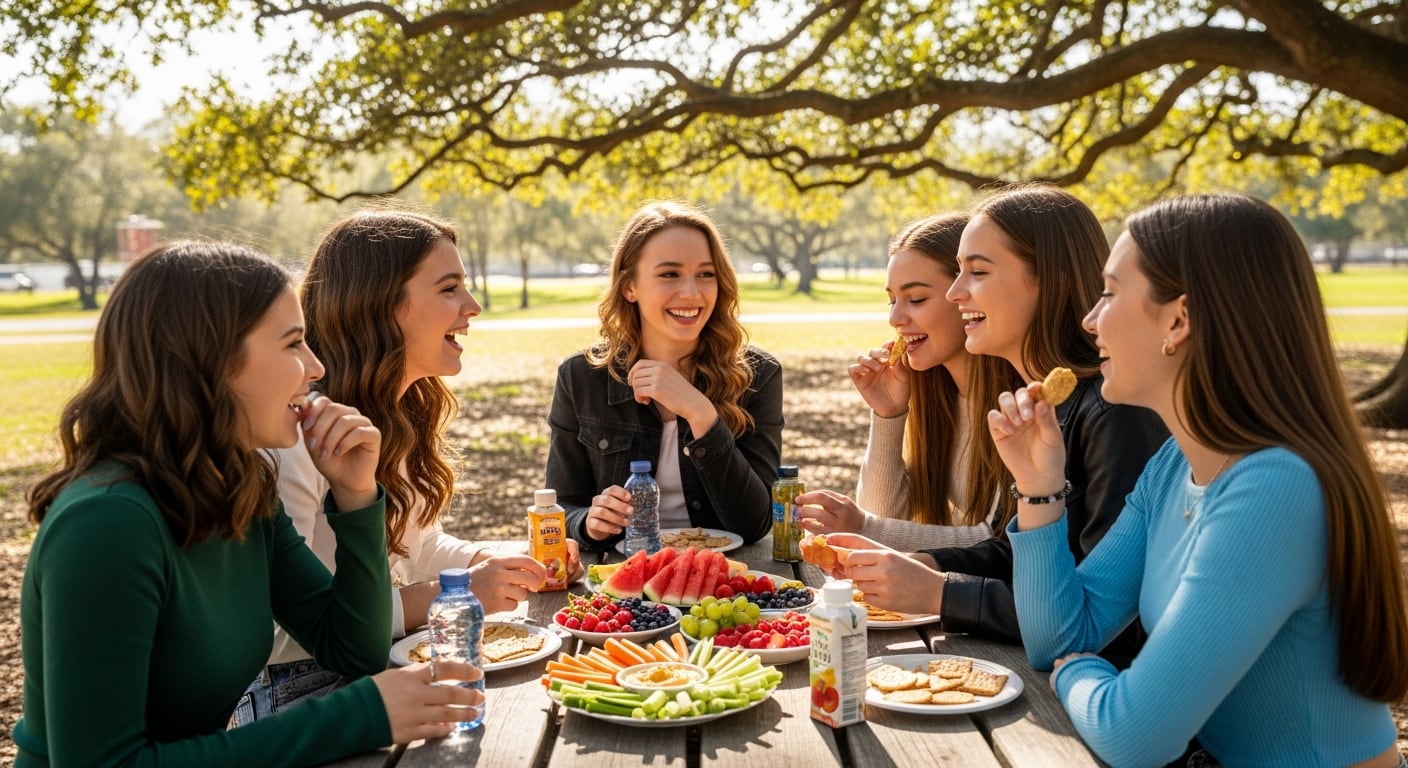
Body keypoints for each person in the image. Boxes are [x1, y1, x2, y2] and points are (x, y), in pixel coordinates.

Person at [14, 242, 480, 766]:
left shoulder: (241, 486)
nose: (316, 367)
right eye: (293, 344)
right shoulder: (106, 524)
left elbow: (352, 646)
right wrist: (358, 716)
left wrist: (357, 498)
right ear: (212, 361)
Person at [992, 193, 1408, 768]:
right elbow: (1058, 636)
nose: (1090, 320)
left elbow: (1133, 734)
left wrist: (1078, 672)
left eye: (1110, 293)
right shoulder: (1171, 467)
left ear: (1179, 320)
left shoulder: (1274, 488)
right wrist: (1039, 487)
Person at [233, 208, 582, 725]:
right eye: (449, 288)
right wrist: (453, 593)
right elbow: (282, 631)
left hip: (385, 663)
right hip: (298, 689)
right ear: (381, 306)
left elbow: (416, 547)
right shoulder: (296, 437)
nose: (473, 306)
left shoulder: (396, 415)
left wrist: (496, 560)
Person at [819, 186, 1167, 650]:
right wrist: (920, 562)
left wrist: (937, 592)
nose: (955, 292)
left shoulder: (1113, 414)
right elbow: (1011, 550)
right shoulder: (1036, 401)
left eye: (977, 272)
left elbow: (1100, 618)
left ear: (1048, 278)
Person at [547, 201, 784, 551]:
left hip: (728, 576)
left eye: (706, 274)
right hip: (619, 576)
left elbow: (756, 523)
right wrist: (589, 523)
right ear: (630, 287)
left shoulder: (758, 375)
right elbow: (562, 507)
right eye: (669, 274)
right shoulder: (581, 377)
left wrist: (700, 413)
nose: (691, 292)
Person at [796, 212, 996, 550]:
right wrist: (887, 415)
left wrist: (864, 527)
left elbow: (998, 542)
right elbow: (887, 513)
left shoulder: (1017, 401)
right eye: (892, 300)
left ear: (965, 296)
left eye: (916, 299)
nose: (895, 318)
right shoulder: (936, 395)